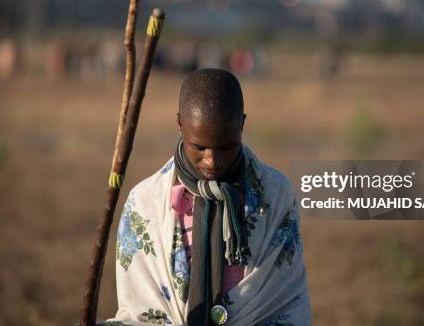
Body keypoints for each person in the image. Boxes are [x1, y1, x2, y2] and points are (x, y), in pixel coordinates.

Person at [108, 69, 311, 326]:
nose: (212, 161)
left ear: (242, 124)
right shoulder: (144, 203)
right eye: (200, 147)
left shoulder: (276, 196)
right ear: (180, 124)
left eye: (226, 147)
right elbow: (138, 313)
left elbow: (287, 302)